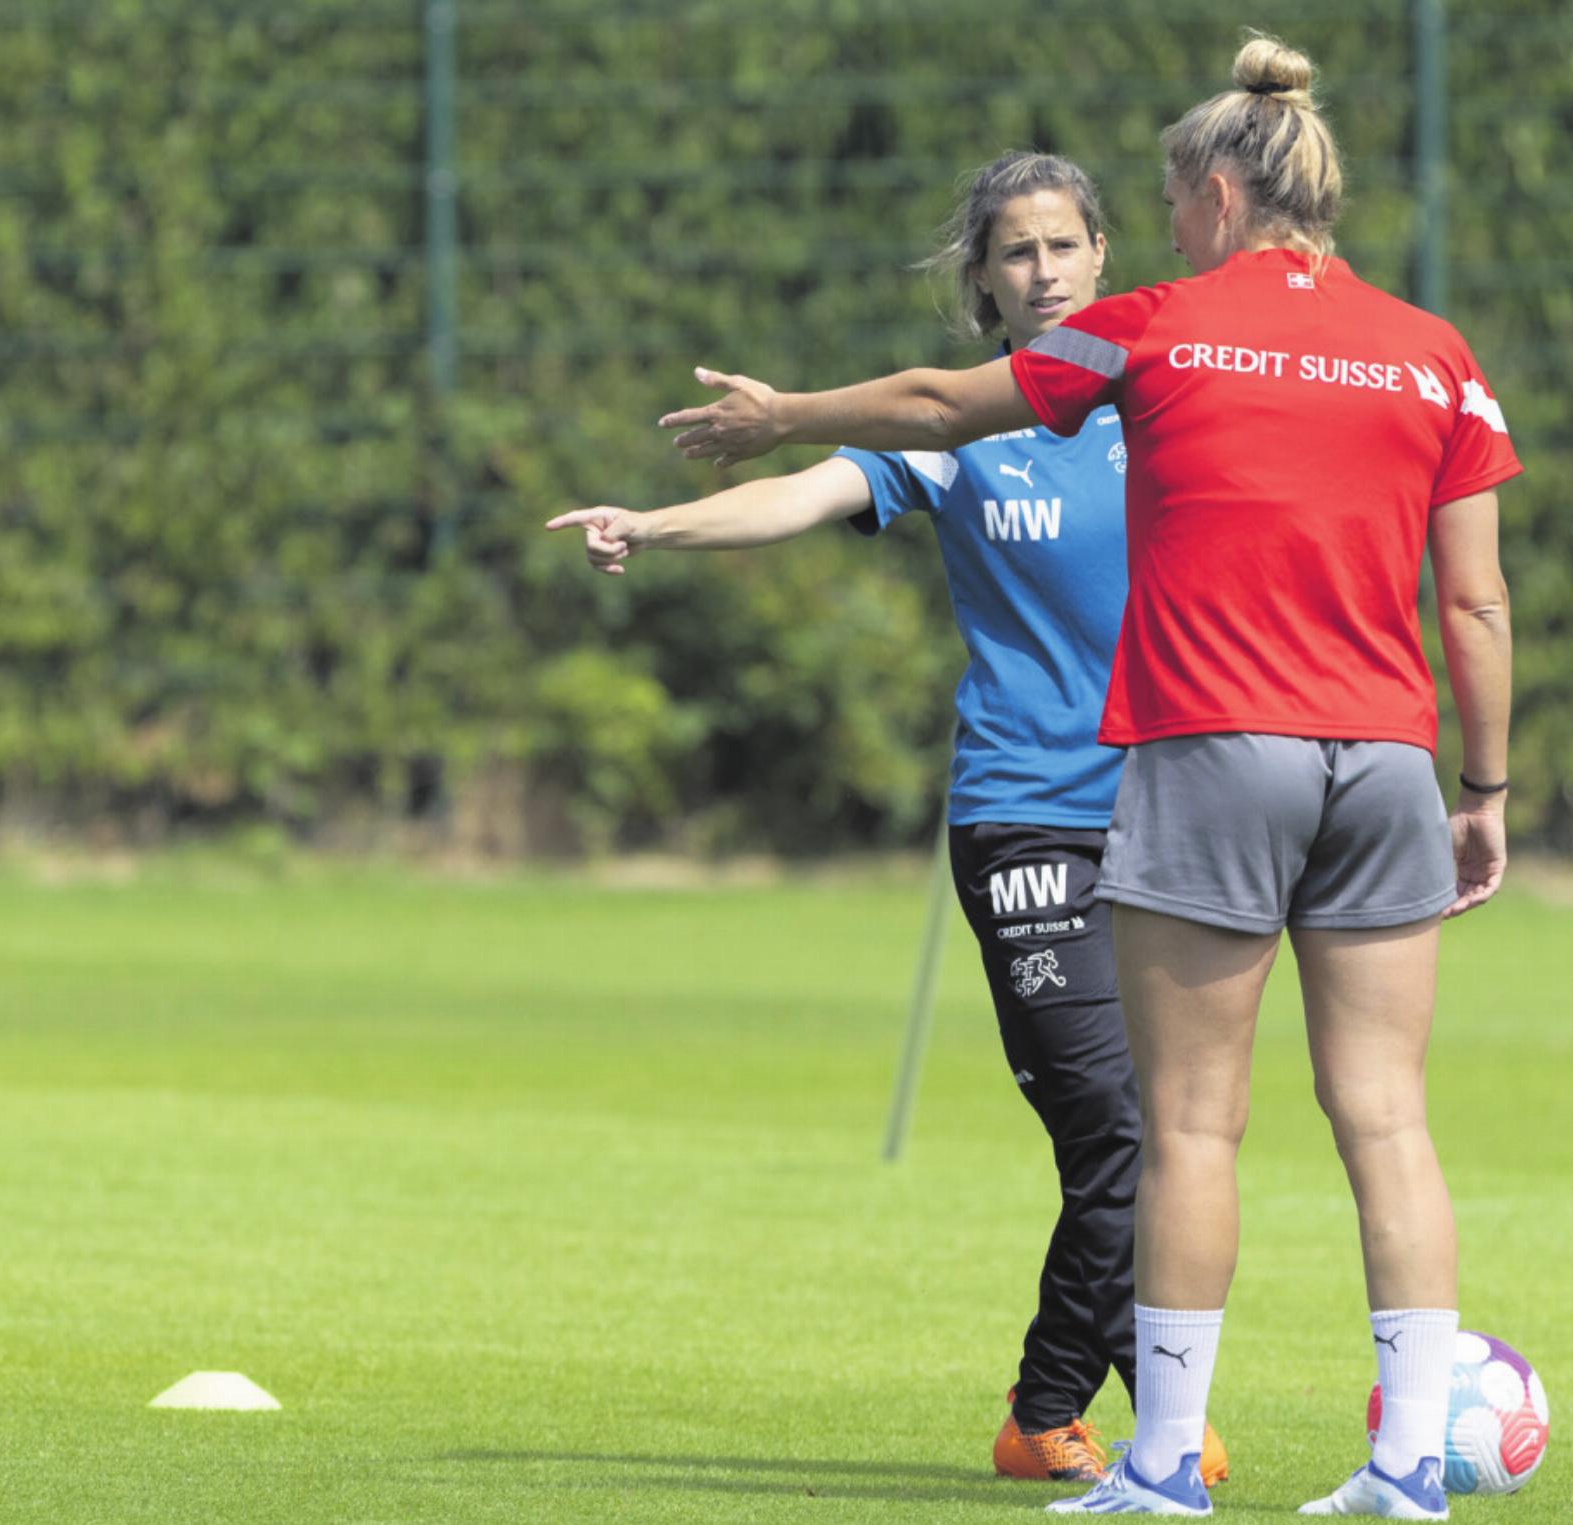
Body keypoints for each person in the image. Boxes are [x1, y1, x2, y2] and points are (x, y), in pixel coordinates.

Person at [655, 35, 1517, 1521]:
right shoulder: (1435, 351)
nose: (1162, 231)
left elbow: (940, 404)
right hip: (1387, 760)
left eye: (1171, 204)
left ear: (1220, 196)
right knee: (1388, 1119)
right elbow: (1479, 603)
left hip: (1216, 751)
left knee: (1185, 1125)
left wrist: (783, 413)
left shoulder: (1154, 330)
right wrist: (1487, 791)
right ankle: (1404, 1470)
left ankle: (1164, 1464)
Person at [549, 151, 1228, 1490]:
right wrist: (658, 526)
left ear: (1106, 255)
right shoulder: (958, 429)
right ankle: (1110, 1411)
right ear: (983, 279)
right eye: (1016, 252)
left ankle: (1093, 1404)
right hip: (1026, 819)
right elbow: (804, 492)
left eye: (1065, 245)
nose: (1044, 271)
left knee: (1173, 1133)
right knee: (1117, 1133)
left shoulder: (1166, 401)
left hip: (1171, 814)